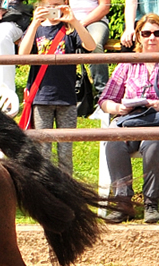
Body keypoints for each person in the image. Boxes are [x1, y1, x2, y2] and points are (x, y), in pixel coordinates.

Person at [99, 13, 159, 224]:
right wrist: (118, 107)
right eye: (146, 33)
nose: (152, 38)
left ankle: (151, 202)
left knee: (155, 144)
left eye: (157, 33)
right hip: (131, 119)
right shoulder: (128, 64)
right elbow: (105, 99)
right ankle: (123, 203)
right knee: (114, 142)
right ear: (139, 37)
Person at [19, 0, 95, 175]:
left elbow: (90, 46)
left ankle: (66, 188)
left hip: (66, 98)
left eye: (59, 4)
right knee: (43, 150)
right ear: (41, 6)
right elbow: (22, 55)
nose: (54, 9)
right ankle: (46, 187)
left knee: (65, 151)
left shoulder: (69, 30)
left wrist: (75, 21)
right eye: (50, 5)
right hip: (41, 97)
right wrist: (34, 23)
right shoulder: (36, 29)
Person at [68, 0, 110, 100]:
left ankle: (103, 94)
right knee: (60, 44)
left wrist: (81, 24)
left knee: (95, 45)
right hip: (69, 21)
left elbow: (104, 7)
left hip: (96, 21)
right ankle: (61, 90)